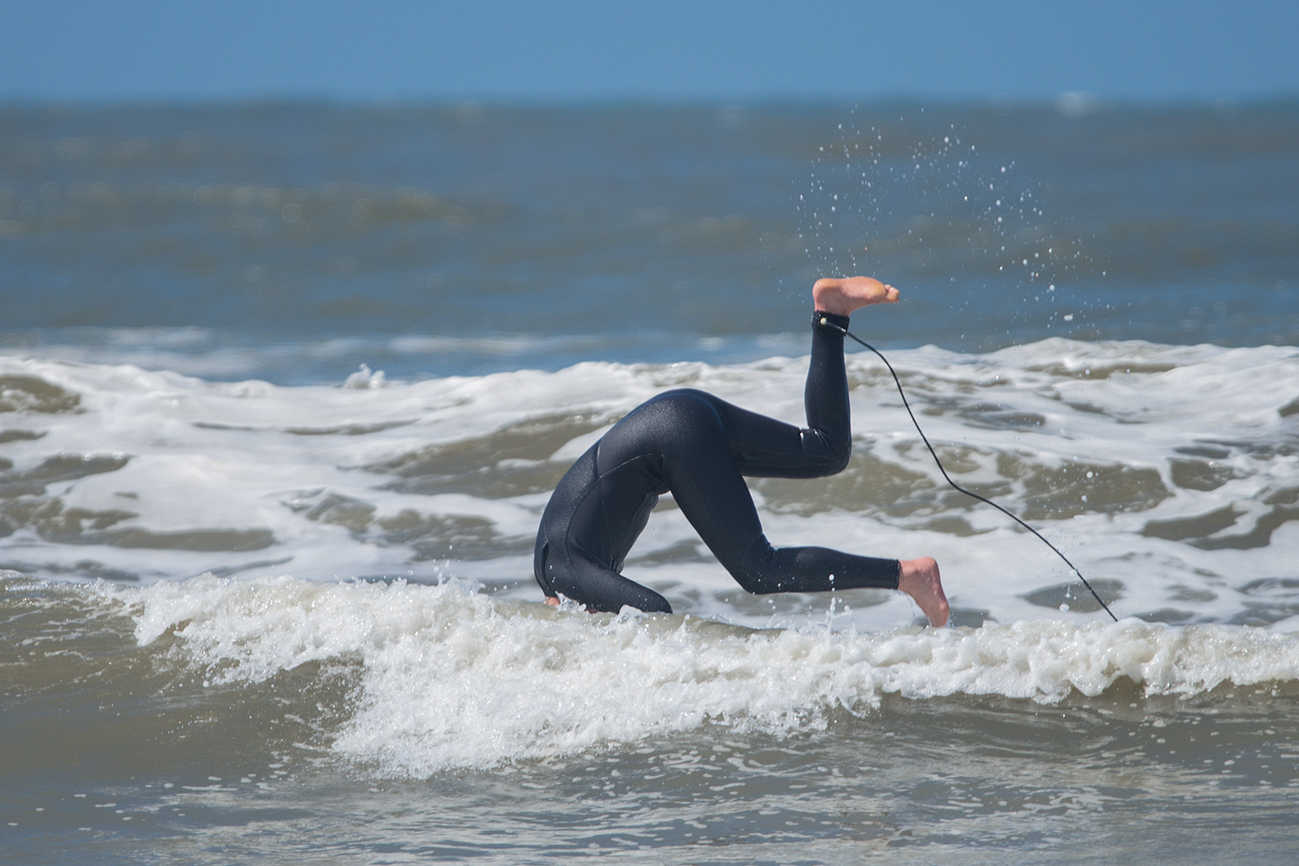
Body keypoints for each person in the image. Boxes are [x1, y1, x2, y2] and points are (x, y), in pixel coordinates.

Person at [533, 276, 949, 627]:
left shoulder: (563, 573)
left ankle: (910, 576)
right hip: (682, 414)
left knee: (758, 569)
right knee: (826, 450)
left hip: (675, 437)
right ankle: (831, 315)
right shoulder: (560, 557)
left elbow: (653, 614)